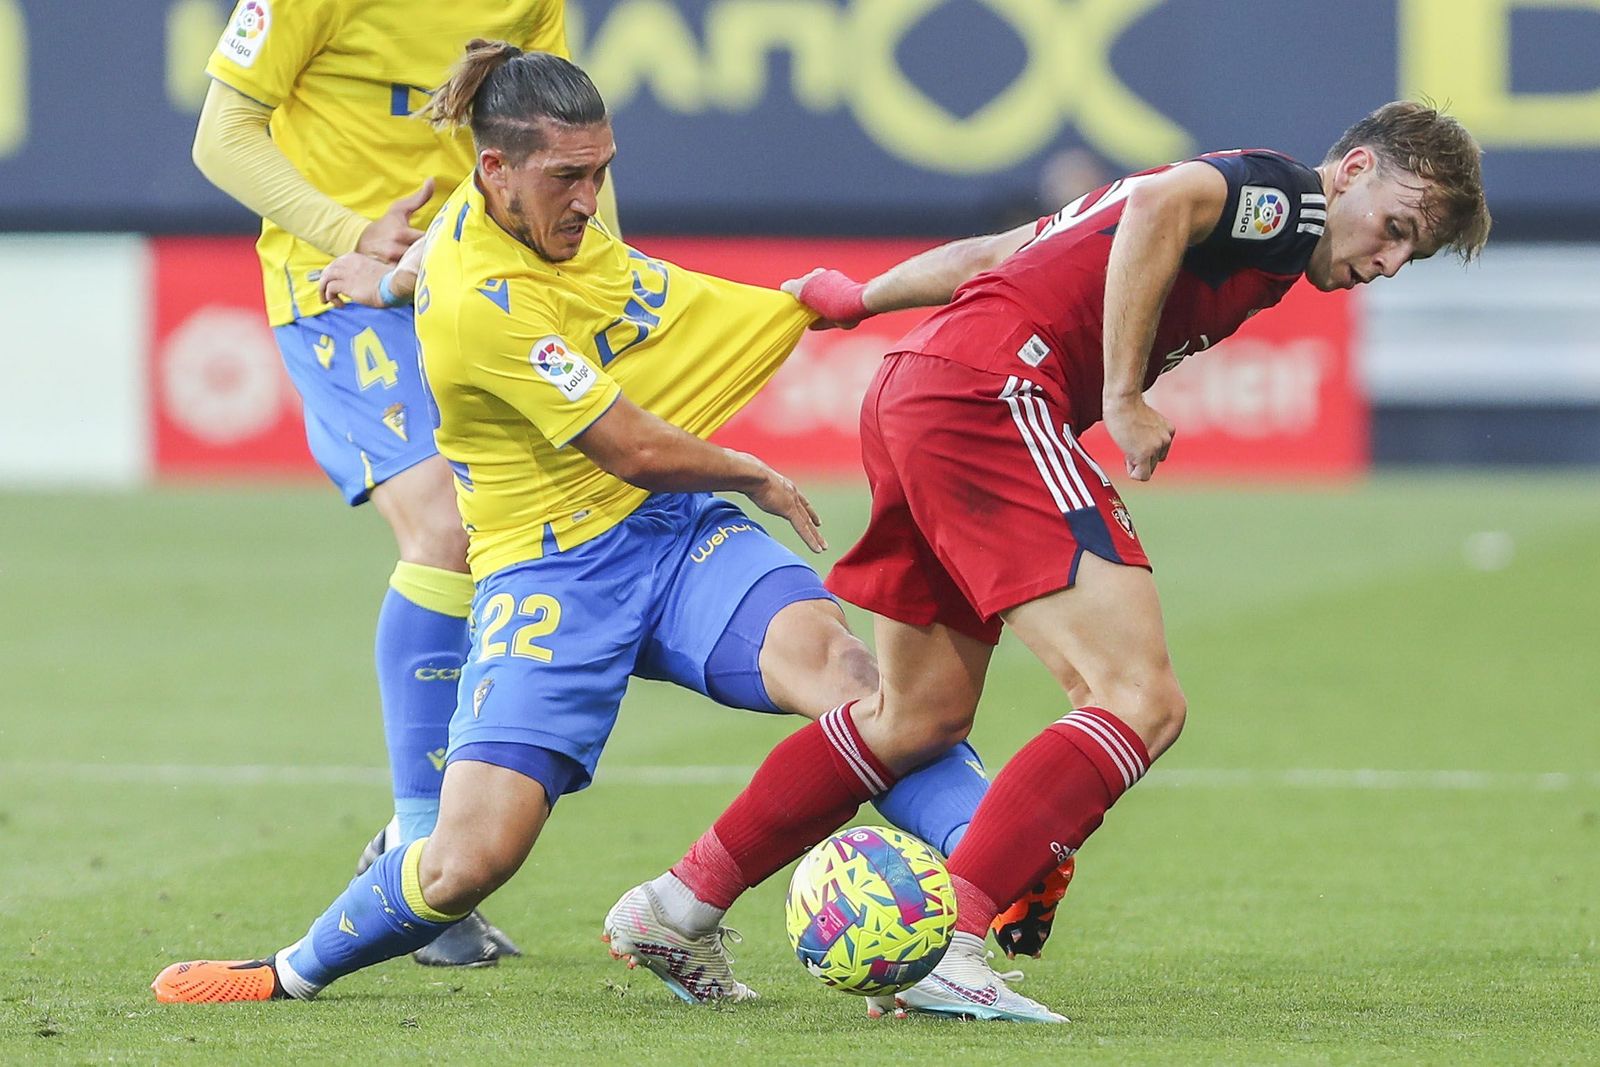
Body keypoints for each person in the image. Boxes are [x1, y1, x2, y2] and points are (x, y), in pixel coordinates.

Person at [151, 42, 998, 1006]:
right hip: (552, 579)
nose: (591, 201)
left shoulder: (498, 219)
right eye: (568, 176)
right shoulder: (482, 305)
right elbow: (630, 444)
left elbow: (427, 261)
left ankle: (992, 877)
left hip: (671, 537)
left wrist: (377, 280)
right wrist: (753, 471)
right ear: (495, 169)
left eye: (601, 171)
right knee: (464, 864)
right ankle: (285, 972)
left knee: (850, 675)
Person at [616, 101, 1492, 1022]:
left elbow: (1000, 252)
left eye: (1414, 252)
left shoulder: (1259, 234)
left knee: (913, 717)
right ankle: (953, 944)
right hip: (991, 394)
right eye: (1398, 227)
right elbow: (1160, 204)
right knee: (1140, 698)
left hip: (919, 388)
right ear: (1353, 171)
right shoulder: (1286, 199)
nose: (1390, 261)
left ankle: (677, 905)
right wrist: (1121, 396)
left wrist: (863, 299)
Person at [191, 0, 616, 965]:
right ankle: (426, 849)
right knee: (447, 529)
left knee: (548, 531)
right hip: (339, 284)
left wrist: (599, 288)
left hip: (480, 283)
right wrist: (348, 233)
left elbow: (566, 142)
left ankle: (418, 839)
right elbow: (222, 133)